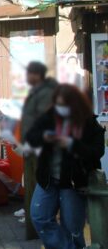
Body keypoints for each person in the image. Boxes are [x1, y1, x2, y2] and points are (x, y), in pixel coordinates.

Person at [27, 84, 104, 249]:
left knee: (72, 227)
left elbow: (96, 151)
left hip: (73, 182)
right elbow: (32, 136)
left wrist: (71, 144)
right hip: (48, 178)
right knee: (39, 216)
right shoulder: (49, 116)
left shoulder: (89, 123)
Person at [20, 61, 58, 235]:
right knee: (35, 182)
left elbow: (42, 120)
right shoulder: (37, 90)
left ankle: (37, 222)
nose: (27, 77)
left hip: (44, 148)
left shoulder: (47, 91)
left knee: (39, 183)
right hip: (35, 144)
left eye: (29, 73)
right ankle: (34, 217)